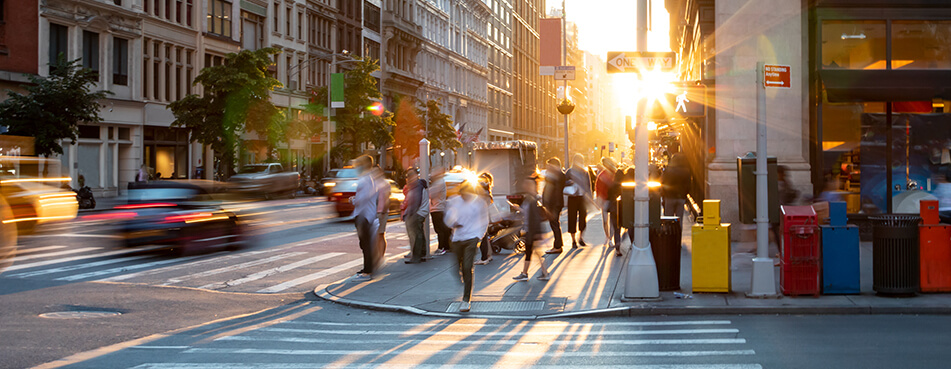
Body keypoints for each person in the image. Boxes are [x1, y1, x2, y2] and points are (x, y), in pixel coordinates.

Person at [445, 183, 489, 313]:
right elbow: (448, 216)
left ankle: (466, 299)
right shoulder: (454, 201)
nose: (465, 197)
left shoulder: (479, 203)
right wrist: (452, 223)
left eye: (467, 195)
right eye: (463, 194)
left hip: (472, 237)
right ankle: (461, 275)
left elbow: (484, 220)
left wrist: (479, 237)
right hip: (457, 238)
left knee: (467, 267)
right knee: (457, 267)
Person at [513, 176, 552, 282]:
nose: (525, 186)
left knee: (532, 252)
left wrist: (537, 232)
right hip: (531, 230)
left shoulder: (532, 199)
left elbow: (535, 217)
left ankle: (529, 273)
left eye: (528, 184)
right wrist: (519, 209)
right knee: (532, 252)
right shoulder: (530, 198)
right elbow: (528, 213)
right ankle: (541, 272)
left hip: (532, 231)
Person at [349, 155, 378, 282]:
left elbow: (364, 197)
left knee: (365, 244)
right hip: (365, 215)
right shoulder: (368, 178)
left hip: (364, 216)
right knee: (364, 244)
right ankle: (367, 268)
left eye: (359, 164)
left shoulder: (366, 179)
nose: (357, 167)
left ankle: (368, 271)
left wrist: (354, 200)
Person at [565, 153, 594, 249]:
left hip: (582, 198)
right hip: (572, 197)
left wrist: (590, 198)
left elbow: (589, 186)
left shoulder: (585, 172)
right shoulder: (569, 172)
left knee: (582, 219)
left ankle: (580, 237)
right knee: (572, 219)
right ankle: (573, 240)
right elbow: (563, 183)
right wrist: (570, 182)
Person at [402, 169, 430, 264]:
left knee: (416, 235)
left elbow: (415, 202)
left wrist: (409, 214)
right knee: (419, 234)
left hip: (417, 213)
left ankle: (416, 257)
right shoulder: (419, 185)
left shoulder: (416, 186)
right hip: (421, 212)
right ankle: (422, 254)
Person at [475, 172, 500, 265]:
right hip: (484, 217)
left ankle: (484, 258)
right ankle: (488, 256)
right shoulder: (486, 192)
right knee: (484, 236)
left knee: (482, 237)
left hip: (481, 217)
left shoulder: (482, 193)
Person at [543, 158, 567, 254]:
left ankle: (557, 246)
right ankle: (557, 245)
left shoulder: (557, 175)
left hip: (554, 204)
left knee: (554, 224)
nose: (547, 167)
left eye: (549, 165)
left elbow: (554, 191)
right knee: (555, 224)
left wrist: (550, 204)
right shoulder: (558, 175)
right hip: (554, 203)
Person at [596, 157, 620, 249]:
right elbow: (598, 188)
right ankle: (609, 238)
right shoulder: (604, 175)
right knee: (608, 221)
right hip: (607, 199)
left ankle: (609, 238)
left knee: (609, 221)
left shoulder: (613, 173)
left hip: (611, 199)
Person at [429, 167, 452, 256]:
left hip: (437, 208)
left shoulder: (438, 183)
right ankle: (446, 246)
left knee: (439, 229)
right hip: (438, 207)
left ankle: (441, 247)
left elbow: (431, 194)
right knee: (442, 228)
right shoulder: (439, 182)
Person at [661, 153, 692, 219]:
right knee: (679, 218)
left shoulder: (668, 170)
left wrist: (664, 195)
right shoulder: (686, 171)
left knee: (668, 218)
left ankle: (669, 229)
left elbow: (663, 183)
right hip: (681, 197)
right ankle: (679, 229)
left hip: (669, 197)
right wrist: (684, 194)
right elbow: (688, 185)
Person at [371, 165, 390, 270]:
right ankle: (376, 257)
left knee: (380, 235)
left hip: (381, 213)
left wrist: (383, 211)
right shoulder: (373, 184)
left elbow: (387, 199)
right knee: (374, 236)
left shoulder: (384, 184)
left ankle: (381, 257)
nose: (374, 174)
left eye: (375, 172)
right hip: (373, 212)